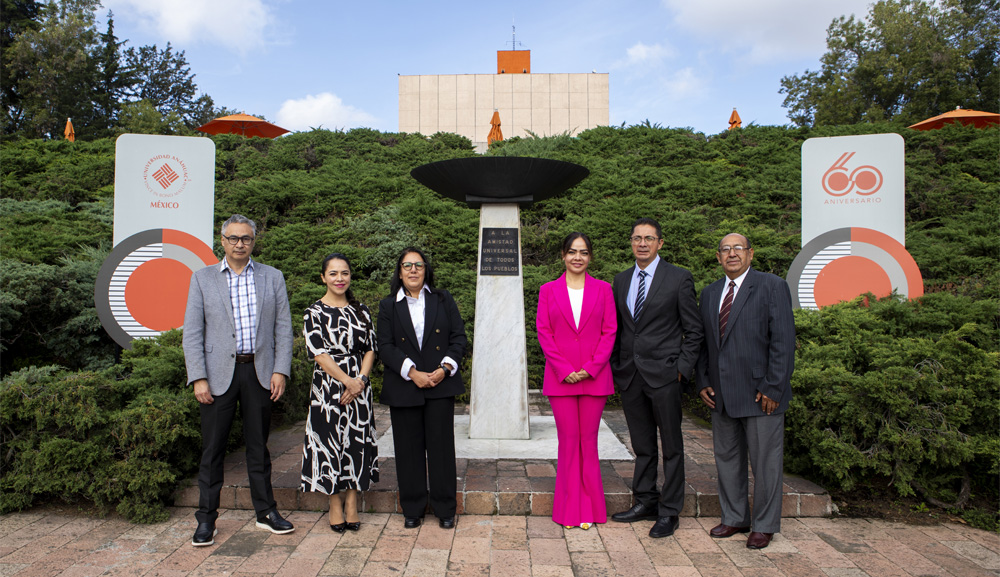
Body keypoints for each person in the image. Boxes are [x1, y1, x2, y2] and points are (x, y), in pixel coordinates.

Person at [182, 214, 295, 547]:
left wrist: (280, 370)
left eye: (246, 238)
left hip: (259, 372)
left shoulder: (272, 277)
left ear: (254, 241)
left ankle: (266, 512)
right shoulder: (202, 278)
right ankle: (206, 519)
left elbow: (283, 328)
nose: (239, 244)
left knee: (259, 447)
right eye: (233, 238)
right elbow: (192, 332)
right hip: (217, 376)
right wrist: (198, 377)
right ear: (222, 241)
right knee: (212, 450)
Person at [696, 233, 796, 550]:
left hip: (761, 394)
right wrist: (703, 380)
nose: (732, 253)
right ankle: (735, 517)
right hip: (721, 395)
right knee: (727, 459)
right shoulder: (710, 293)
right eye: (725, 249)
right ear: (718, 257)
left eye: (738, 248)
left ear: (750, 254)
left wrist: (774, 387)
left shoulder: (772, 286)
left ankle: (764, 525)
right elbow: (704, 343)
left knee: (766, 464)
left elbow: (783, 341)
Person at [610, 217, 704, 538]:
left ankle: (669, 511)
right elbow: (620, 329)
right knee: (642, 445)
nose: (642, 243)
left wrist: (681, 369)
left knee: (672, 447)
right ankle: (645, 500)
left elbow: (694, 330)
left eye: (649, 238)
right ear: (631, 242)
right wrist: (616, 366)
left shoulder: (678, 278)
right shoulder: (621, 280)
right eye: (637, 238)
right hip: (631, 376)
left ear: (660, 243)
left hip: (665, 375)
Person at [376, 247, 467, 530]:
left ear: (426, 270)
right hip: (405, 385)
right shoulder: (388, 306)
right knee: (408, 449)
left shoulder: (443, 298)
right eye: (407, 265)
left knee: (441, 449)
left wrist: (445, 369)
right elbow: (385, 346)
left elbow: (458, 337)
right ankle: (412, 508)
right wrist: (412, 373)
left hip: (440, 384)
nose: (413, 270)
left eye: (418, 264)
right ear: (399, 272)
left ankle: (445, 507)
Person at [536, 232, 617, 530]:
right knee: (569, 443)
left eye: (583, 252)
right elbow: (544, 331)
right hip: (562, 380)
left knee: (589, 443)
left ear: (590, 257)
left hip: (595, 378)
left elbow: (610, 331)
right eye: (572, 252)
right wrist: (564, 368)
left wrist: (591, 368)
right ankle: (569, 511)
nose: (577, 257)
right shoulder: (548, 290)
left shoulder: (604, 289)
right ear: (563, 255)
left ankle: (591, 510)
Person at [300, 253, 379, 533]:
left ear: (350, 276)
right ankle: (334, 504)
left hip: (359, 385)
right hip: (328, 387)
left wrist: (360, 381)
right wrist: (347, 381)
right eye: (333, 273)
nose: (339, 278)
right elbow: (318, 353)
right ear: (323, 277)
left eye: (344, 273)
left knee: (356, 441)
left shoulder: (362, 311)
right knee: (330, 442)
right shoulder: (314, 312)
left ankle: (352, 503)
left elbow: (371, 348)